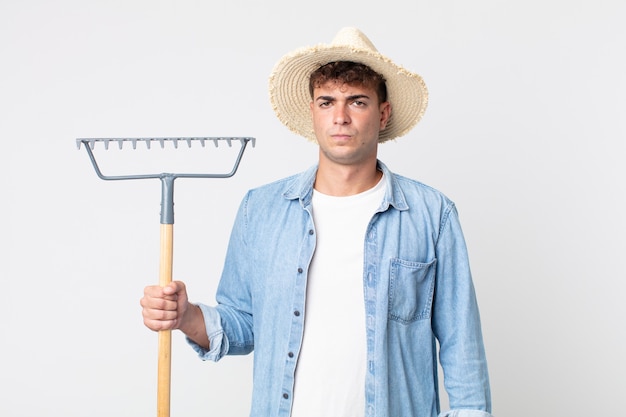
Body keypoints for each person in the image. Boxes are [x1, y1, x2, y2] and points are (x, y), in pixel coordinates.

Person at [141, 27, 493, 417]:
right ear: (313, 112)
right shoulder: (262, 210)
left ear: (383, 113)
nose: (340, 117)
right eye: (327, 102)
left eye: (357, 101)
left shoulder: (431, 215)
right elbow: (243, 325)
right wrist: (186, 316)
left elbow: (463, 349)